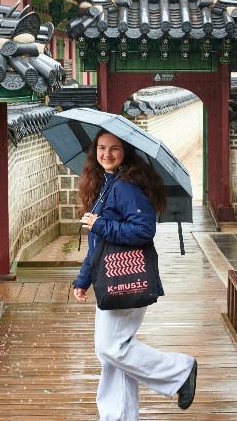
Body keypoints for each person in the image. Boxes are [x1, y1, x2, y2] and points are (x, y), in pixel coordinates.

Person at [72, 129, 198, 420]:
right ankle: (119, 416)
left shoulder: (125, 187)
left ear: (124, 152)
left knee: (110, 347)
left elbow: (144, 230)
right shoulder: (106, 184)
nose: (107, 154)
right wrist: (83, 278)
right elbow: (98, 244)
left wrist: (101, 224)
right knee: (113, 355)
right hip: (110, 278)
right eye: (102, 148)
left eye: (114, 148)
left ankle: (179, 370)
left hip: (126, 278)